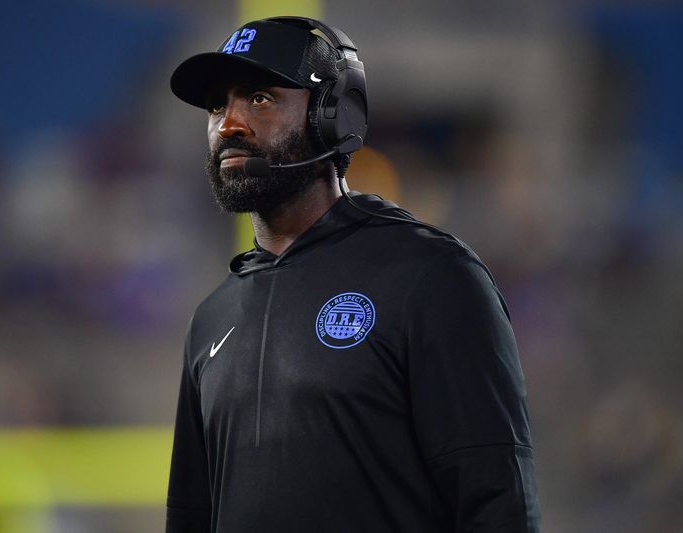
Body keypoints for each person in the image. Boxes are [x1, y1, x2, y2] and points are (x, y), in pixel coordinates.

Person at [166, 16, 540, 533]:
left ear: (333, 115)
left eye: (259, 99)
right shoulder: (211, 320)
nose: (228, 123)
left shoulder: (430, 279)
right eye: (216, 105)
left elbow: (498, 503)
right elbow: (190, 518)